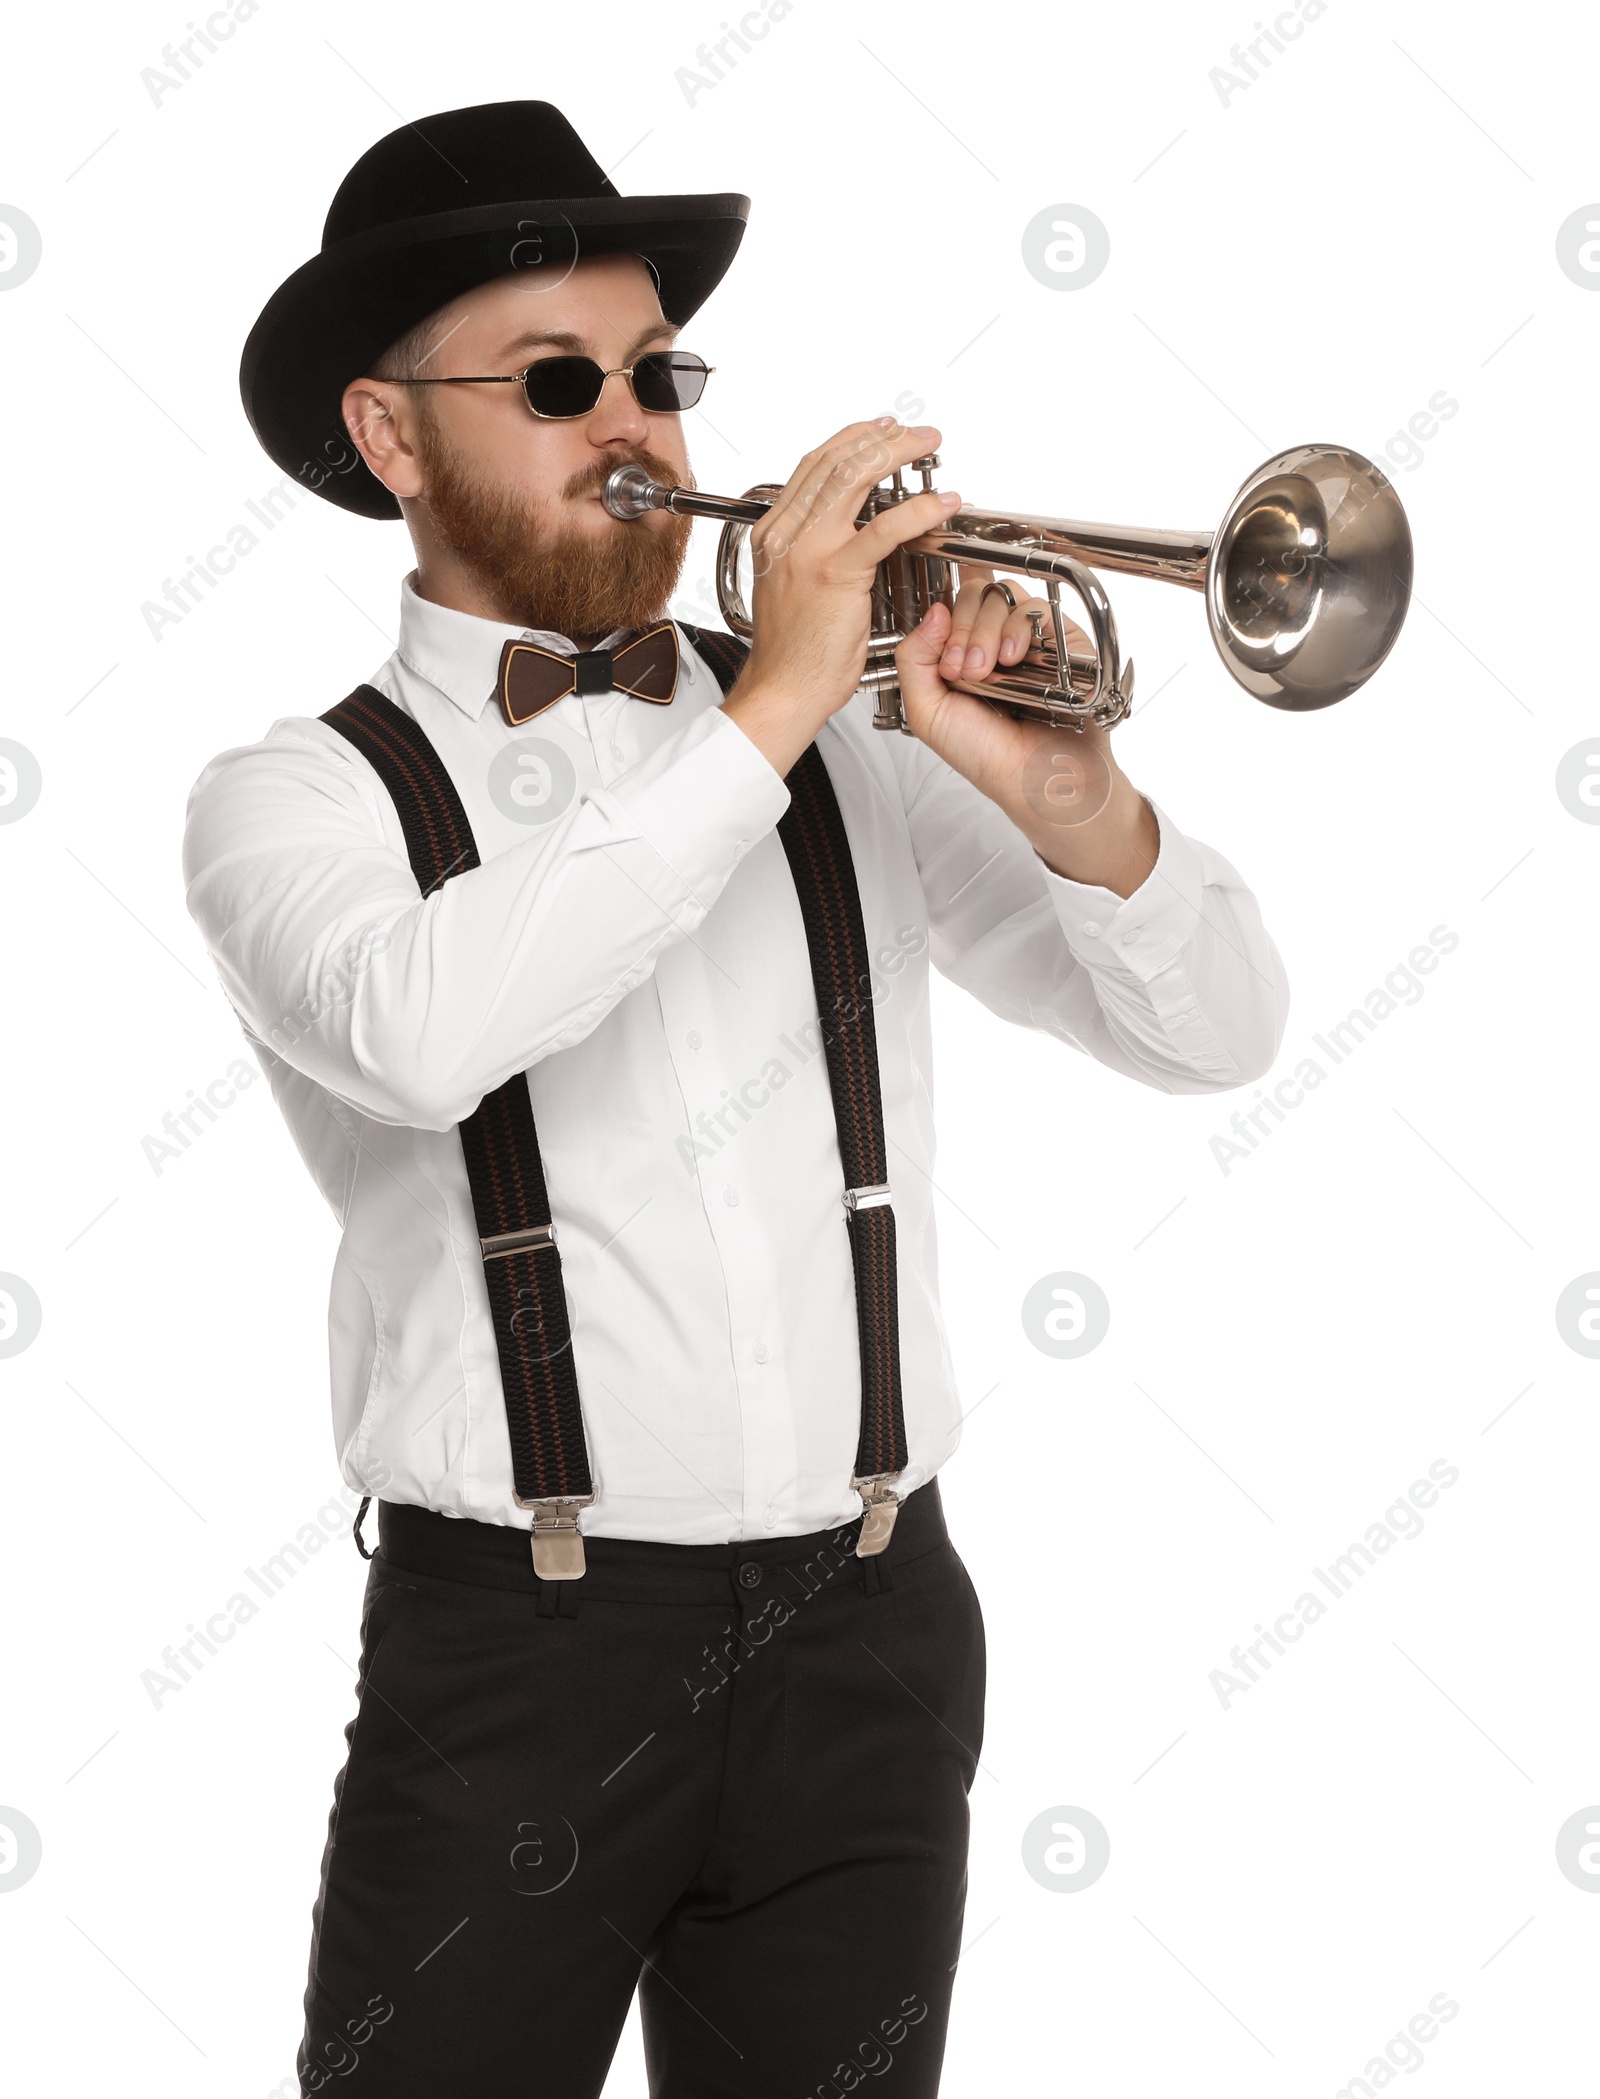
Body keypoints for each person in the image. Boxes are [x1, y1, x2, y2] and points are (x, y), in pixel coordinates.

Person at [184, 98, 1286, 2099]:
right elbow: (431, 1030)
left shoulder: (850, 742)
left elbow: (1212, 1034)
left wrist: (1062, 794)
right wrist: (775, 699)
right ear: (388, 433)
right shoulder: (294, 799)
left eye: (657, 374)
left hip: (872, 1634)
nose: (636, 428)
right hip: (517, 1658)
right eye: (553, 380)